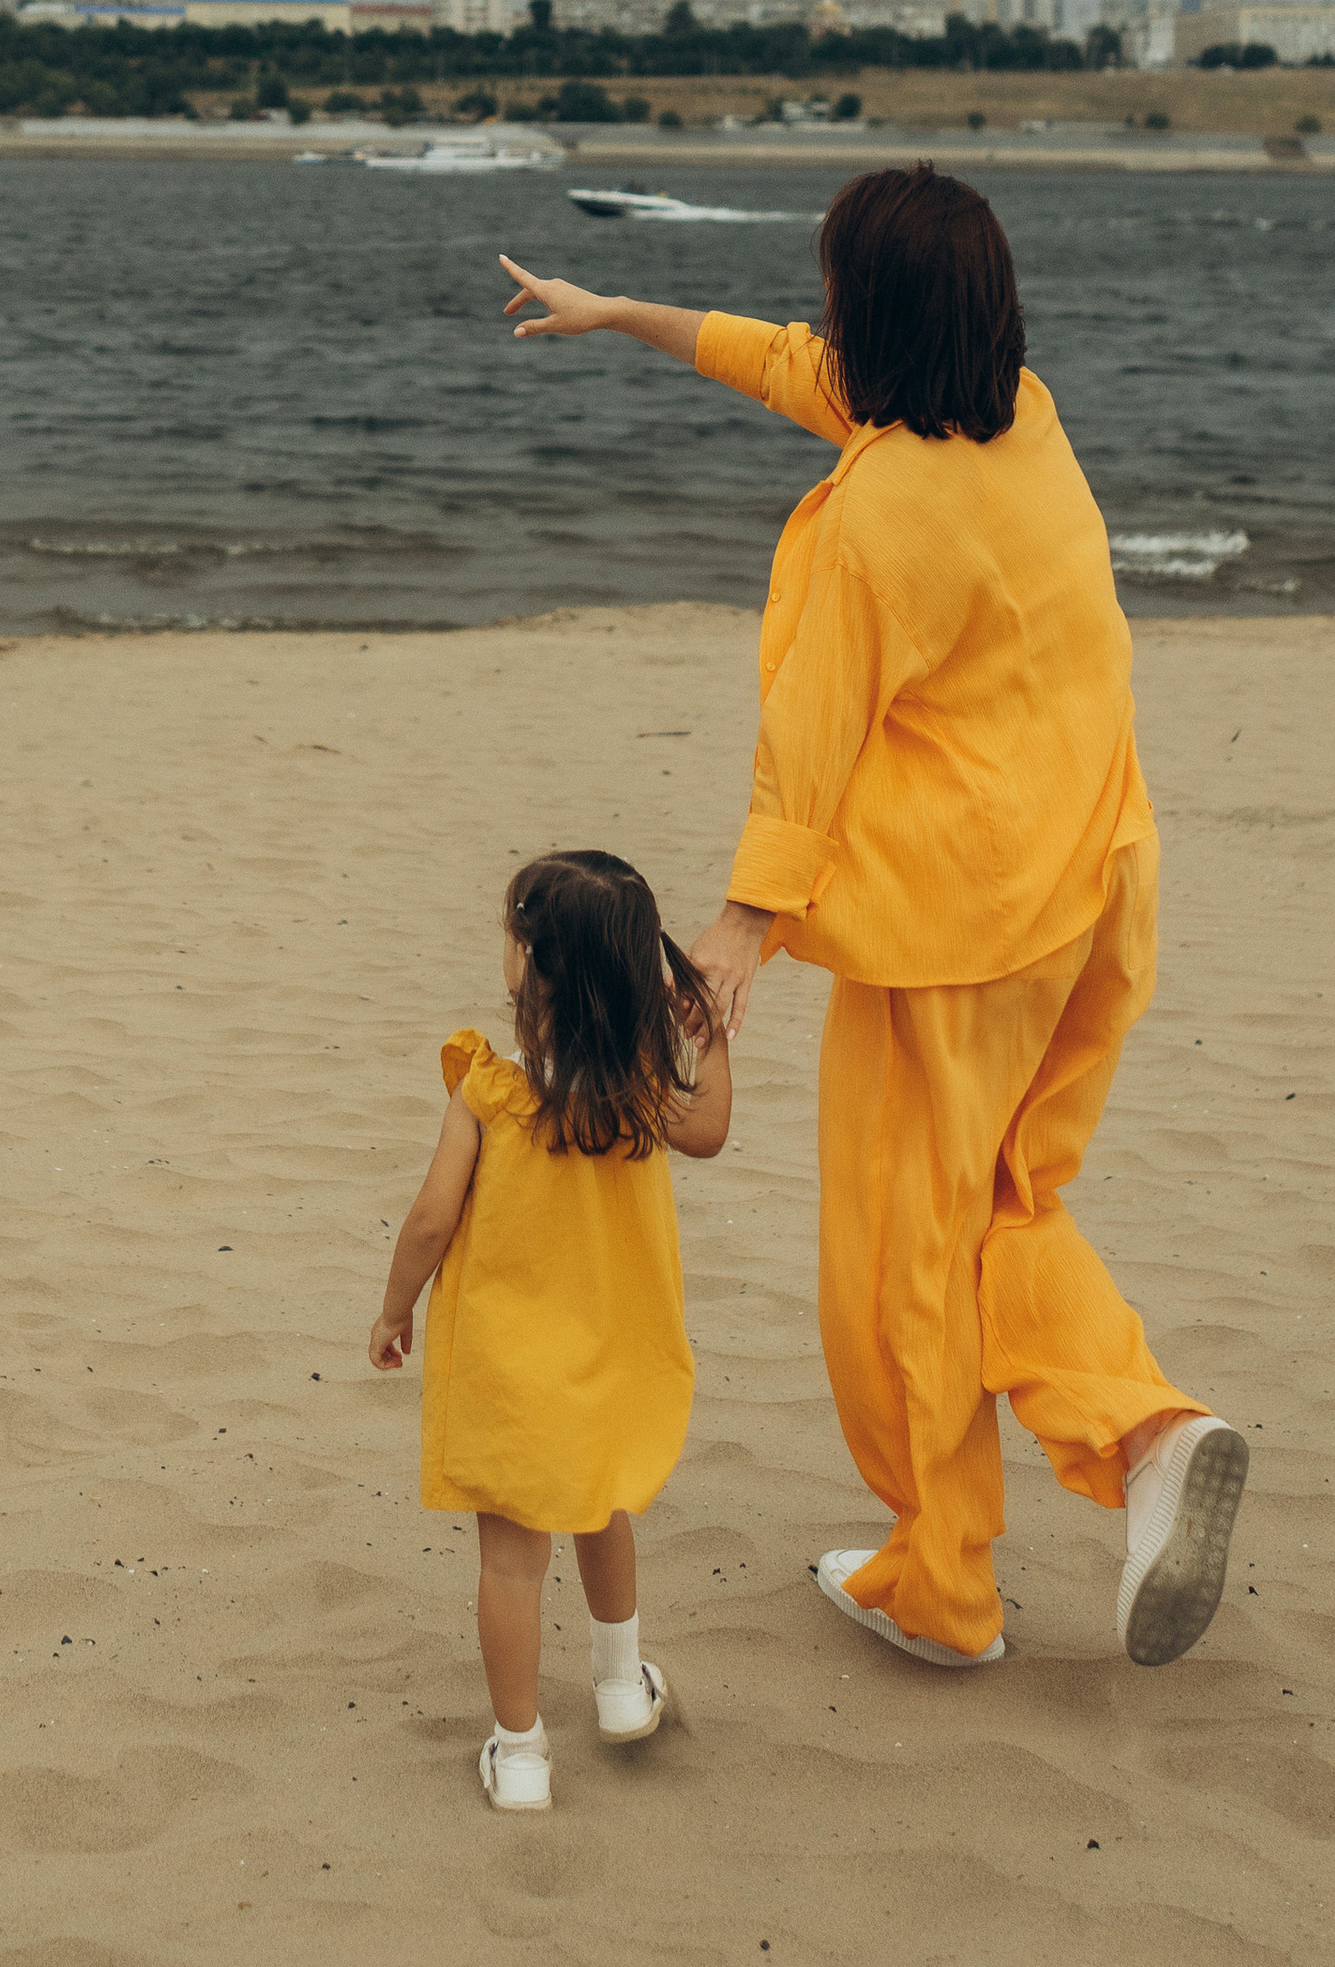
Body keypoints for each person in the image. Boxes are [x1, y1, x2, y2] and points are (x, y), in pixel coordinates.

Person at [499, 166, 1248, 1675]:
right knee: (1004, 1212)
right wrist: (619, 311)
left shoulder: (880, 515)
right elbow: (793, 368)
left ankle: (954, 1581)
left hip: (958, 939)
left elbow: (813, 735)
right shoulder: (1020, 419)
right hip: (1095, 891)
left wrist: (738, 930)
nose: (816, 315)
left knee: (904, 1264)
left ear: (875, 313)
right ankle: (1149, 1439)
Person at [368, 850, 730, 1813]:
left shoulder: (490, 1091)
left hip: (510, 1369)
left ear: (536, 966)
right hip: (607, 1354)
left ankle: (520, 1752)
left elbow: (432, 1221)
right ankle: (619, 1685)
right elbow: (710, 1131)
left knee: (511, 1562)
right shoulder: (643, 1088)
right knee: (603, 1505)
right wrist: (715, 1042)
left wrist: (396, 1306)